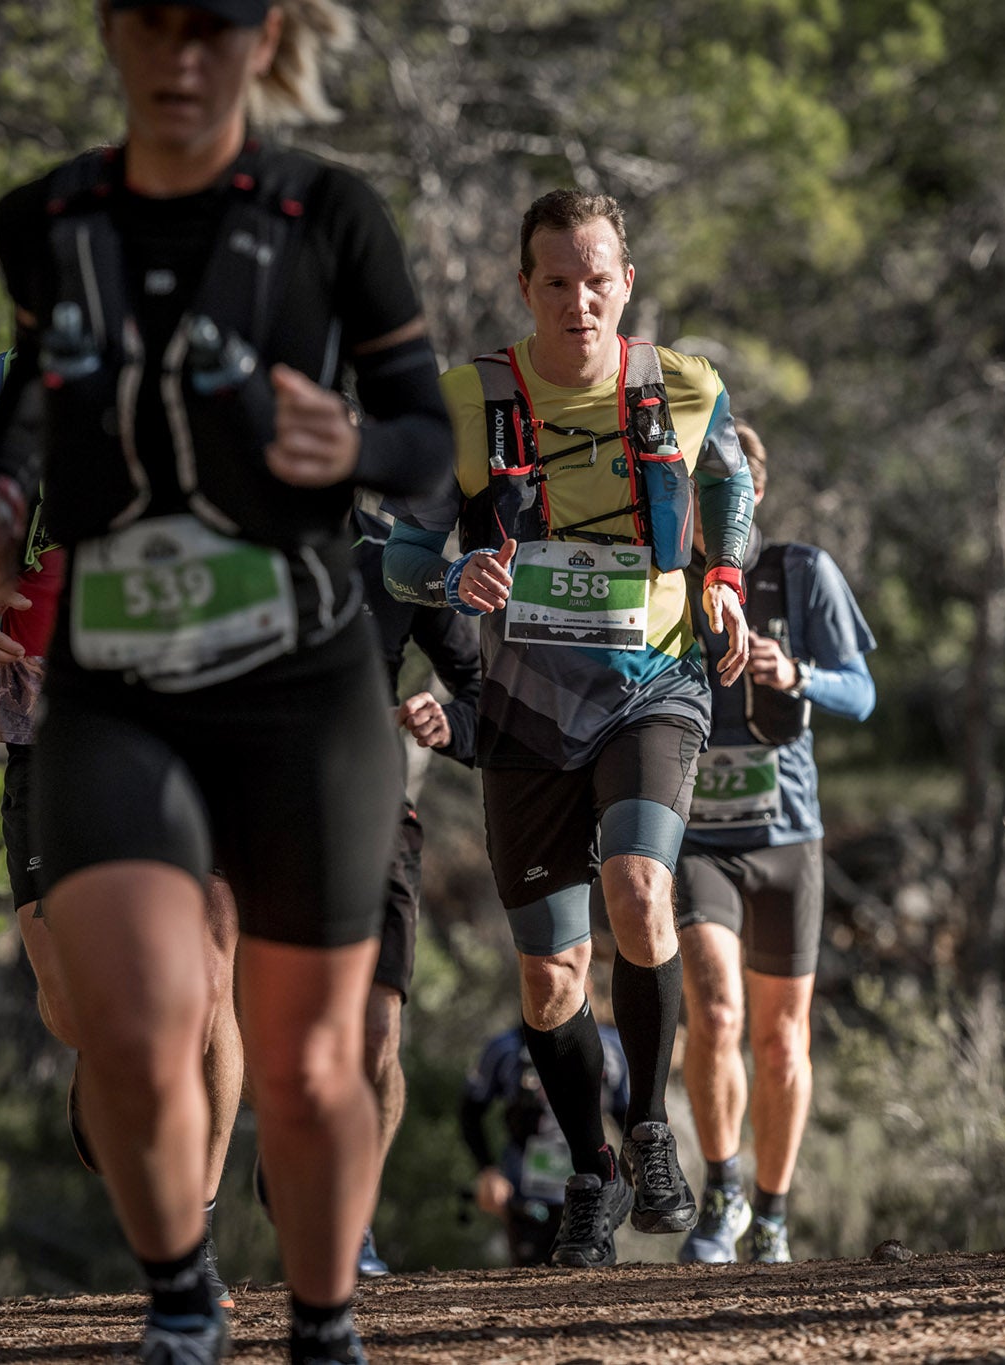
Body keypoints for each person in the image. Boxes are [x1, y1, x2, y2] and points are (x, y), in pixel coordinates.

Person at [0, 1, 450, 1360]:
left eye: (214, 25)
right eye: (152, 23)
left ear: (265, 35)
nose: (181, 57)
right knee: (130, 1017)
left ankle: (324, 1325)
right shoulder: (44, 222)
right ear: (110, 32)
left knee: (303, 1062)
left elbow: (427, 451)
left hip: (302, 681)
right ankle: (182, 1307)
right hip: (114, 680)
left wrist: (347, 441)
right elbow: (43, 398)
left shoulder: (327, 216)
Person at [382, 188, 757, 1269]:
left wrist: (724, 580)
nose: (579, 302)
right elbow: (401, 553)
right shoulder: (467, 400)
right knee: (550, 980)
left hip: (653, 683)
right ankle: (588, 1175)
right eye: (557, 283)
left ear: (624, 283)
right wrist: (457, 569)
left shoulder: (680, 387)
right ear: (524, 288)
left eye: (597, 281)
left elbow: (729, 485)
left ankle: (647, 1128)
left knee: (640, 889)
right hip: (526, 708)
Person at [0, 353, 242, 1308]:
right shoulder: (2, 390)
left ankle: (190, 1236)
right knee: (74, 1002)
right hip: (50, 710)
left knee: (209, 974)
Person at [674, 423, 876, 1265]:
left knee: (780, 1038)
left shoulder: (802, 574)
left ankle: (774, 1210)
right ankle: (720, 1192)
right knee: (716, 1011)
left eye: (727, 492)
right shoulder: (662, 580)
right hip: (695, 840)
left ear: (753, 495)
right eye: (694, 491)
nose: (711, 508)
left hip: (787, 835)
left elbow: (862, 693)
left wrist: (796, 674)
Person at [352, 503, 481, 1275]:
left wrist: (450, 720)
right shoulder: (228, 543)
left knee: (375, 1037)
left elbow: (476, 682)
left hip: (376, 821)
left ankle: (351, 1218)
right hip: (254, 826)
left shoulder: (392, 554)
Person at [459, 1021, 629, 1266]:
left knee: (587, 1276)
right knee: (530, 1281)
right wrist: (487, 1171)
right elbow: (471, 1112)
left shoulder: (612, 1048)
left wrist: (632, 1171)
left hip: (591, 1197)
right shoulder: (505, 1048)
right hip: (525, 1195)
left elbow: (626, 1113)